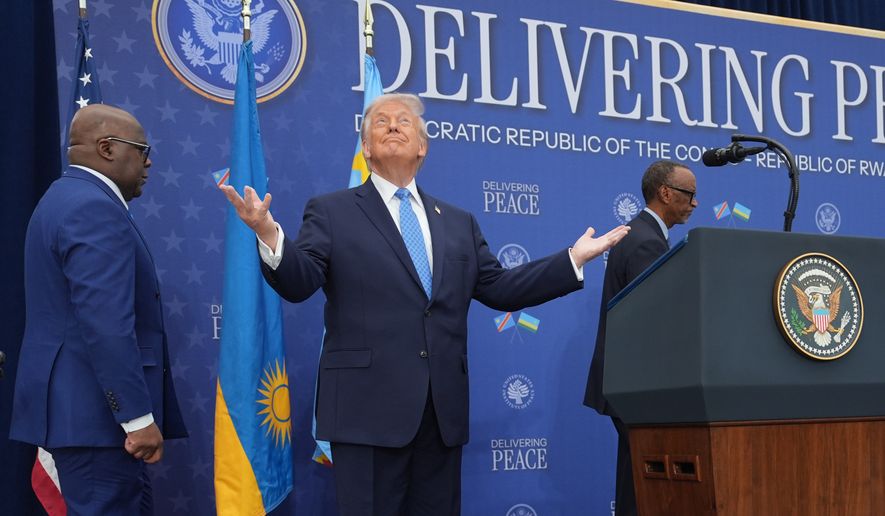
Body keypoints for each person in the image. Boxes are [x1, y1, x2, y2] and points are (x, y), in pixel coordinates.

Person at [221, 92, 629, 516]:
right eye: (380, 122)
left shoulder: (457, 222)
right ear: (365, 147)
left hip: (440, 415)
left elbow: (502, 288)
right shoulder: (331, 211)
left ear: (423, 146)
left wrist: (573, 259)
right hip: (367, 414)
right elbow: (299, 280)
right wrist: (269, 235)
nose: (392, 125)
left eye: (403, 121)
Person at [10, 104, 187, 515]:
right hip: (96, 422)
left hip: (84, 420)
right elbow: (106, 324)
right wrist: (137, 418)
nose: (149, 161)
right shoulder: (92, 208)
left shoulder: (63, 198)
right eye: (142, 150)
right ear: (107, 148)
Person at [583, 160, 698, 516]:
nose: (695, 203)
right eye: (689, 195)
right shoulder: (647, 243)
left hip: (627, 384)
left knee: (634, 483)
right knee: (643, 487)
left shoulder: (638, 233)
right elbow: (654, 322)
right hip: (640, 386)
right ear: (665, 193)